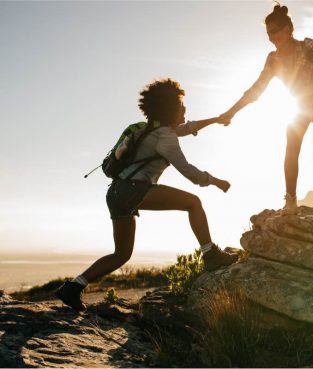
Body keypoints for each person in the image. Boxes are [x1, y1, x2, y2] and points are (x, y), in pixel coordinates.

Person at [55, 79, 238, 311]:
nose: (185, 110)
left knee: (121, 254)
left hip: (116, 193)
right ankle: (211, 255)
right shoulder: (165, 136)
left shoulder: (147, 129)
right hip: (134, 190)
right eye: (182, 107)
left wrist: (215, 120)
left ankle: (73, 287)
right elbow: (188, 171)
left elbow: (186, 128)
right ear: (170, 109)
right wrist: (215, 181)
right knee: (193, 203)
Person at [218, 3, 313, 222]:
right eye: (268, 33)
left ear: (289, 29)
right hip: (298, 107)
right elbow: (255, 89)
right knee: (291, 149)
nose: (272, 36)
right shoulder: (273, 59)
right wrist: (231, 112)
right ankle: (290, 200)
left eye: (275, 31)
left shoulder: (308, 46)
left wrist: (311, 90)